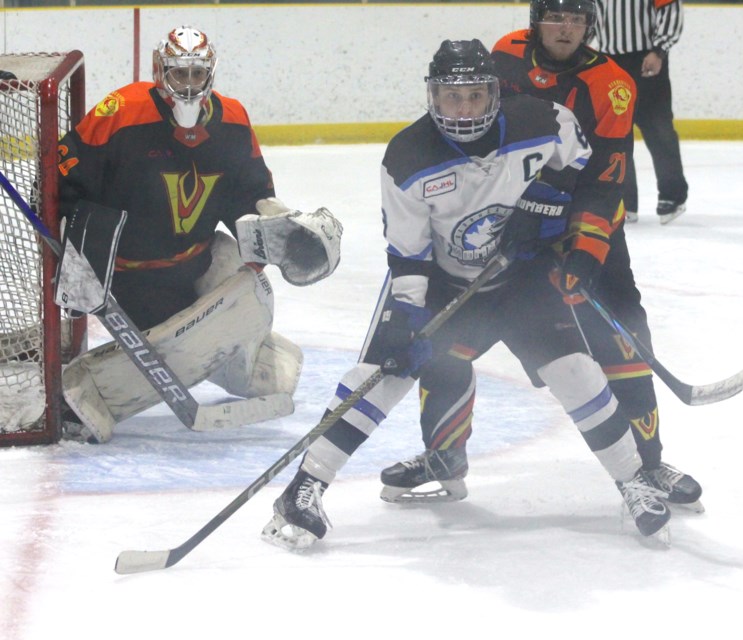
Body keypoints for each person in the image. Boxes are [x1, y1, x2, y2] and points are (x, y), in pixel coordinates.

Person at [261, 39, 673, 551]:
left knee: (576, 371)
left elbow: (587, 170)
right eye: (451, 98)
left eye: (475, 96)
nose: (463, 109)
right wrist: (406, 318)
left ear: (495, 94)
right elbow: (408, 257)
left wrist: (551, 213)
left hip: (522, 282)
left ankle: (633, 480)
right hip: (445, 287)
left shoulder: (544, 122)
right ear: (433, 98)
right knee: (381, 377)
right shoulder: (408, 156)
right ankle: (305, 487)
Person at [380, 0, 701, 527]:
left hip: (580, 225)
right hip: (502, 229)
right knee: (446, 342)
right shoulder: (503, 55)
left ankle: (646, 465)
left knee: (620, 336)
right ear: (536, 20)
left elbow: (605, 177)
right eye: (557, 16)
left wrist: (584, 251)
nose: (566, 28)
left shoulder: (612, 82)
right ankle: (445, 455)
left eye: (577, 19)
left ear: (590, 26)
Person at [55, 25, 343, 443]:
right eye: (179, 73)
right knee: (188, 350)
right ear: (161, 71)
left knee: (250, 291)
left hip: (195, 258)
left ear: (210, 73)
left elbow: (251, 194)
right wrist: (74, 251)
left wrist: (278, 219)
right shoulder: (122, 111)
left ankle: (259, 364)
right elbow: (64, 177)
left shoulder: (233, 119)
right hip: (128, 276)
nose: (188, 84)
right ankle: (88, 392)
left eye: (196, 74)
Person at [594, 0, 688, 224]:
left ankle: (672, 195)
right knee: (616, 132)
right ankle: (623, 199)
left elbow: (670, 10)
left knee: (659, 130)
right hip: (609, 60)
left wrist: (659, 50)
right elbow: (591, 12)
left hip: (646, 57)